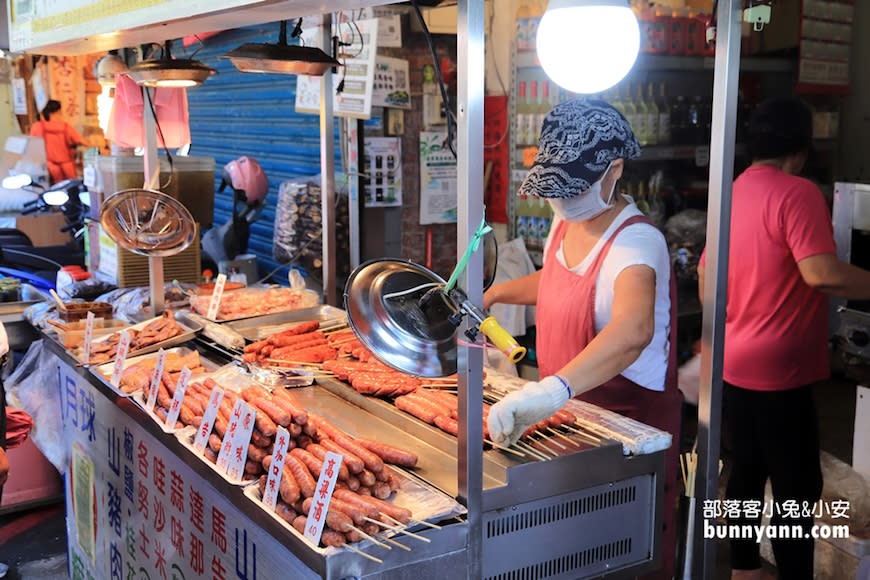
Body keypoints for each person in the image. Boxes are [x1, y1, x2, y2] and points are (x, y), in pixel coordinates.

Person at [484, 99, 682, 580]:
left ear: (614, 170)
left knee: (620, 564)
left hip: (627, 440)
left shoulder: (638, 241)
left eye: (572, 188)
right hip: (571, 428)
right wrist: (492, 293)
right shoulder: (565, 220)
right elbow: (558, 282)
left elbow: (633, 330)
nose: (562, 200)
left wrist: (551, 390)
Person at [698, 96, 870, 580]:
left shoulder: (731, 192)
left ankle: (744, 569)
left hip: (734, 363)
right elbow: (819, 273)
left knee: (746, 473)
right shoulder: (797, 193)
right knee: (797, 486)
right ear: (801, 150)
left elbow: (707, 276)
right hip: (781, 372)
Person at [30, 99, 85, 184]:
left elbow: (32, 146)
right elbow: (82, 141)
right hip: (67, 169)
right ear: (58, 111)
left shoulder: (37, 126)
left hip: (48, 169)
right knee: (71, 191)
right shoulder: (65, 127)